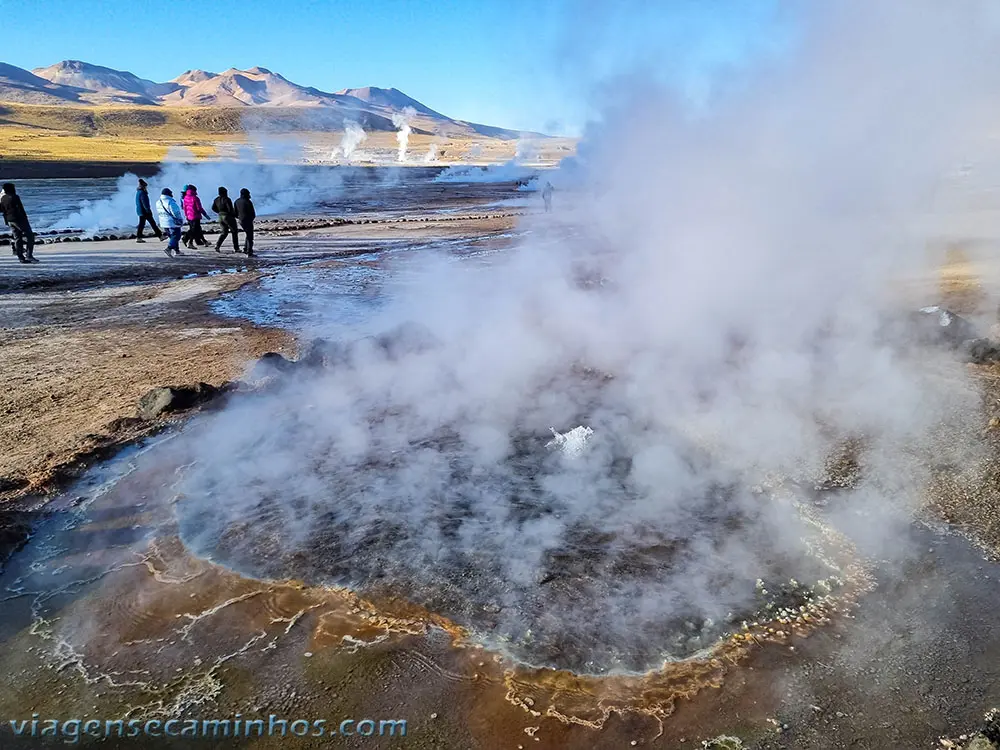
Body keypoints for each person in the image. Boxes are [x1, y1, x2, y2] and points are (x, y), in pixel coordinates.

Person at [1, 182, 37, 263]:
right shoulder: (15, 197)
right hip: (19, 219)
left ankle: (21, 257)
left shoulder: (3, 198)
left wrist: (6, 221)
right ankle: (29, 255)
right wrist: (25, 219)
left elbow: (2, 210)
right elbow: (20, 209)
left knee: (17, 238)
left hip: (10, 220)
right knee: (30, 236)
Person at [155, 188, 185, 257]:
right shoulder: (170, 202)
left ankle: (177, 251)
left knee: (172, 237)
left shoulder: (158, 202)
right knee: (176, 236)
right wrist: (180, 219)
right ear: (168, 194)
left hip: (163, 222)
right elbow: (176, 212)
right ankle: (168, 249)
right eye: (171, 193)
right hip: (172, 222)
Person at [211, 186, 239, 253]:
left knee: (224, 233)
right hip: (227, 217)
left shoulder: (216, 199)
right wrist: (235, 215)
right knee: (234, 232)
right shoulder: (227, 199)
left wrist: (219, 212)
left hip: (220, 217)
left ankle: (217, 245)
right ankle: (236, 248)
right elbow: (230, 209)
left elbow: (213, 208)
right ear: (225, 192)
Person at [234, 188, 256, 257]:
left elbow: (235, 213)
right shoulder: (248, 201)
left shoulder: (236, 201)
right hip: (248, 220)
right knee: (250, 236)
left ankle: (246, 249)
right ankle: (249, 252)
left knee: (248, 234)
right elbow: (252, 213)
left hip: (241, 220)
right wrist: (251, 219)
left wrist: (239, 218)